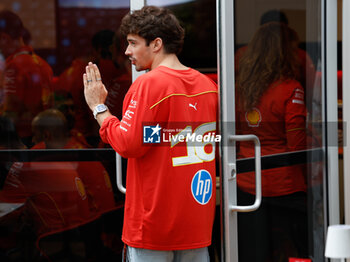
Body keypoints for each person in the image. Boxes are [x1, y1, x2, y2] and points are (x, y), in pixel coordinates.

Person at [83, 6, 218, 262]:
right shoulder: (207, 85)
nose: (127, 52)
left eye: (133, 43)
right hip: (196, 222)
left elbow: (129, 144)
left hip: (154, 224)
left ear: (156, 44)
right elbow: (155, 138)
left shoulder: (148, 84)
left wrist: (98, 108)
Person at [235, 22, 308, 262]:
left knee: (253, 252)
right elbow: (297, 146)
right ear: (286, 52)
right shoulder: (290, 88)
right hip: (284, 187)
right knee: (296, 250)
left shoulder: (239, 89)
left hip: (246, 184)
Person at [0, 10, 53, 147]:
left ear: (4, 38)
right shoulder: (42, 63)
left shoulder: (14, 67)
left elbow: (9, 115)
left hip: (21, 141)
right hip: (45, 138)